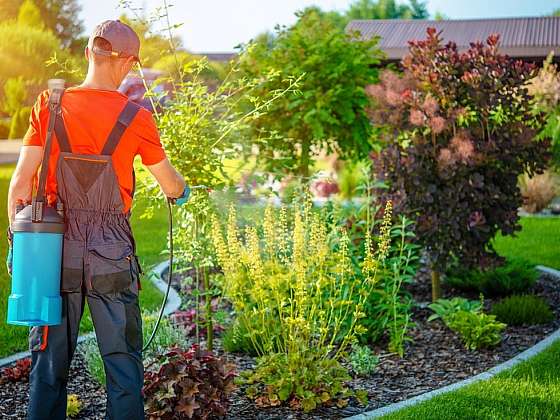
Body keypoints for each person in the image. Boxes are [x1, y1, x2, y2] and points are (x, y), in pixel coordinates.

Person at [6, 20, 187, 420]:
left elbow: (19, 185)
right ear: (128, 63)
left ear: (89, 53)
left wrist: (19, 246)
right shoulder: (137, 117)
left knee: (48, 368)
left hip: (56, 252)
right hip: (111, 254)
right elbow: (170, 184)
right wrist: (182, 189)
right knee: (123, 369)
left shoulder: (49, 106)